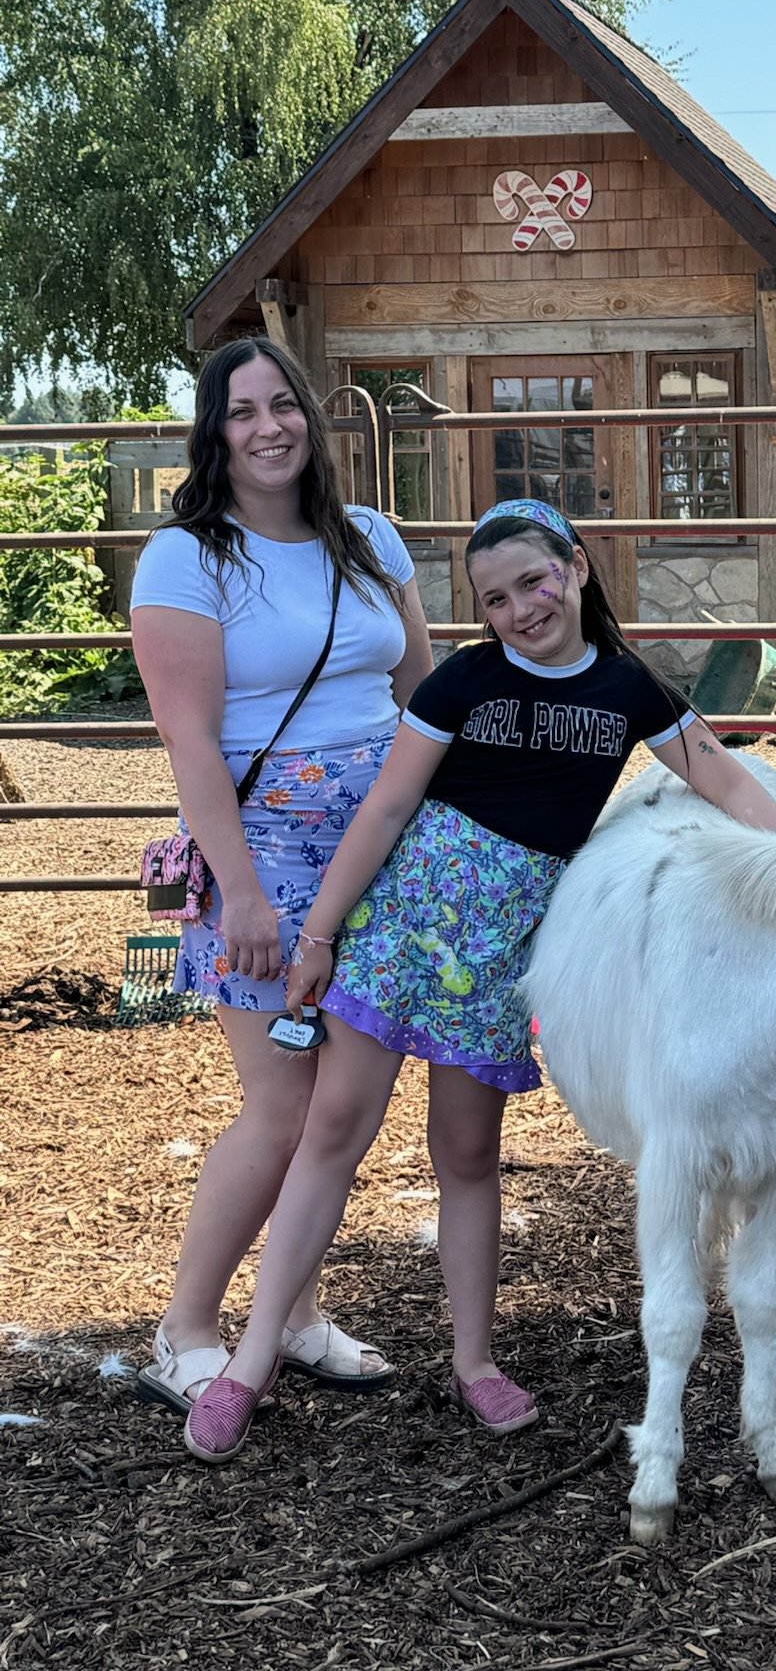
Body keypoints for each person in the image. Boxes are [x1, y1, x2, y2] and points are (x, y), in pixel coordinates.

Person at [181, 497, 776, 1463]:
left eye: (533, 583)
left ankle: (474, 1360)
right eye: (494, 598)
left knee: (466, 1153)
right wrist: (322, 936)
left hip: (501, 953)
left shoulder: (630, 690)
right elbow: (385, 811)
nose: (518, 609)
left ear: (578, 569)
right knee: (334, 1129)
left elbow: (723, 778)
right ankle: (250, 1360)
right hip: (405, 929)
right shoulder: (465, 679)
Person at [130, 337, 434, 1415]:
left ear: (311, 415)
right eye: (241, 411)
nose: (269, 427)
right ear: (215, 434)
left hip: (382, 849)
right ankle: (187, 1326)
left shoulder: (369, 541)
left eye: (283, 405)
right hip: (263, 847)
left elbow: (423, 694)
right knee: (282, 1103)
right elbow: (193, 743)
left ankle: (294, 1313)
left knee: (341, 1109)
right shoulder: (187, 559)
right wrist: (243, 889)